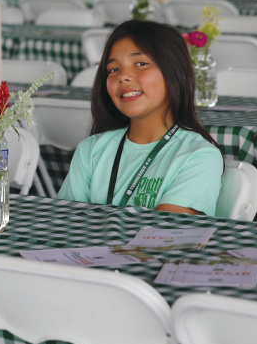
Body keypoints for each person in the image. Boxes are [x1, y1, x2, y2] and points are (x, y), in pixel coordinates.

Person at [57, 20, 223, 214]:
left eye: (141, 64)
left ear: (175, 73)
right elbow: (66, 221)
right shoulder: (91, 151)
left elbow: (164, 236)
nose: (123, 76)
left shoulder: (198, 156)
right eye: (113, 69)